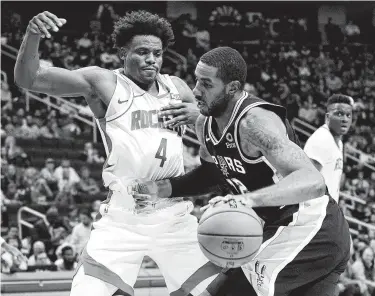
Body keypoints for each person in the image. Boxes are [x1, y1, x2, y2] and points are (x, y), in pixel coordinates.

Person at [15, 10, 219, 296]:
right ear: (123, 52)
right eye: (143, 52)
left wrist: (200, 118)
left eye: (157, 53)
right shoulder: (104, 83)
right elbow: (30, 79)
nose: (152, 59)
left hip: (174, 213)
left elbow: (214, 145)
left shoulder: (178, 89)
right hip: (125, 215)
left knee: (216, 290)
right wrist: (33, 34)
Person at [133, 47, 351, 296]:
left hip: (309, 227)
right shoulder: (205, 124)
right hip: (286, 231)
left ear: (232, 88)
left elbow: (313, 181)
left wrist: (243, 201)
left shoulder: (255, 123)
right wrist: (161, 189)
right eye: (196, 80)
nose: (195, 91)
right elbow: (212, 175)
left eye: (206, 84)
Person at [304, 94, 353, 203]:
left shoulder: (339, 143)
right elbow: (306, 181)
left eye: (348, 115)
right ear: (327, 117)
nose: (345, 119)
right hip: (313, 213)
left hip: (328, 210)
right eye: (339, 114)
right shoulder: (321, 139)